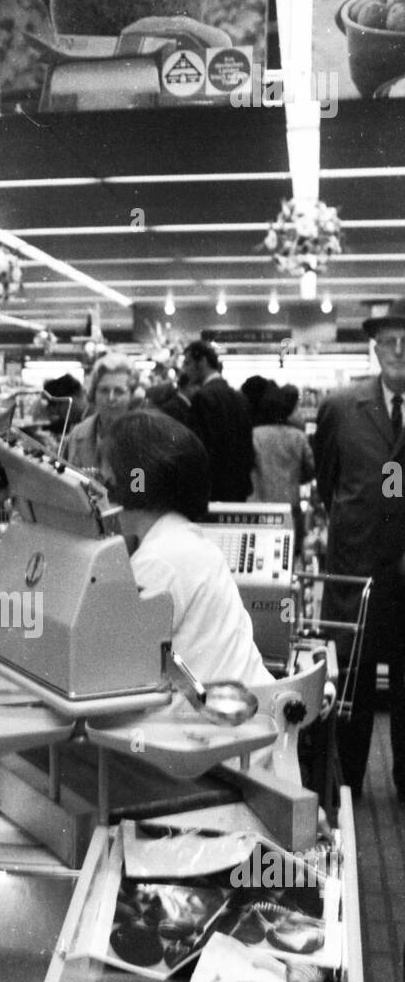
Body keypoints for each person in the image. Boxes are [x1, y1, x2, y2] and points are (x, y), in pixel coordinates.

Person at [103, 409, 273, 693]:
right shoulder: (187, 542)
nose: (105, 495)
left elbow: (113, 669)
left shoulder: (158, 562)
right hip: (250, 715)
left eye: (109, 483)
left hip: (212, 728)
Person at [314, 298, 405, 800]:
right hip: (358, 571)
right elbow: (330, 485)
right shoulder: (340, 408)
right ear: (374, 348)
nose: (399, 350)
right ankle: (346, 782)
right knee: (353, 681)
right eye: (389, 341)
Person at [181, 340, 254, 501]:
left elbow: (200, 449)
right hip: (238, 489)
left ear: (203, 362)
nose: (185, 370)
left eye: (188, 363)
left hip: (213, 491)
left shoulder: (202, 398)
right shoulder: (239, 397)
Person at [249, 380, 315, 554]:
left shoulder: (254, 436)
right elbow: (310, 470)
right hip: (290, 511)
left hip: (259, 511)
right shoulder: (298, 437)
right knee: (288, 560)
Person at [64, 354, 132, 473]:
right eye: (104, 390)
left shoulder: (144, 437)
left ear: (132, 396)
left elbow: (140, 489)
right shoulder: (77, 434)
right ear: (93, 394)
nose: (111, 398)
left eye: (119, 391)